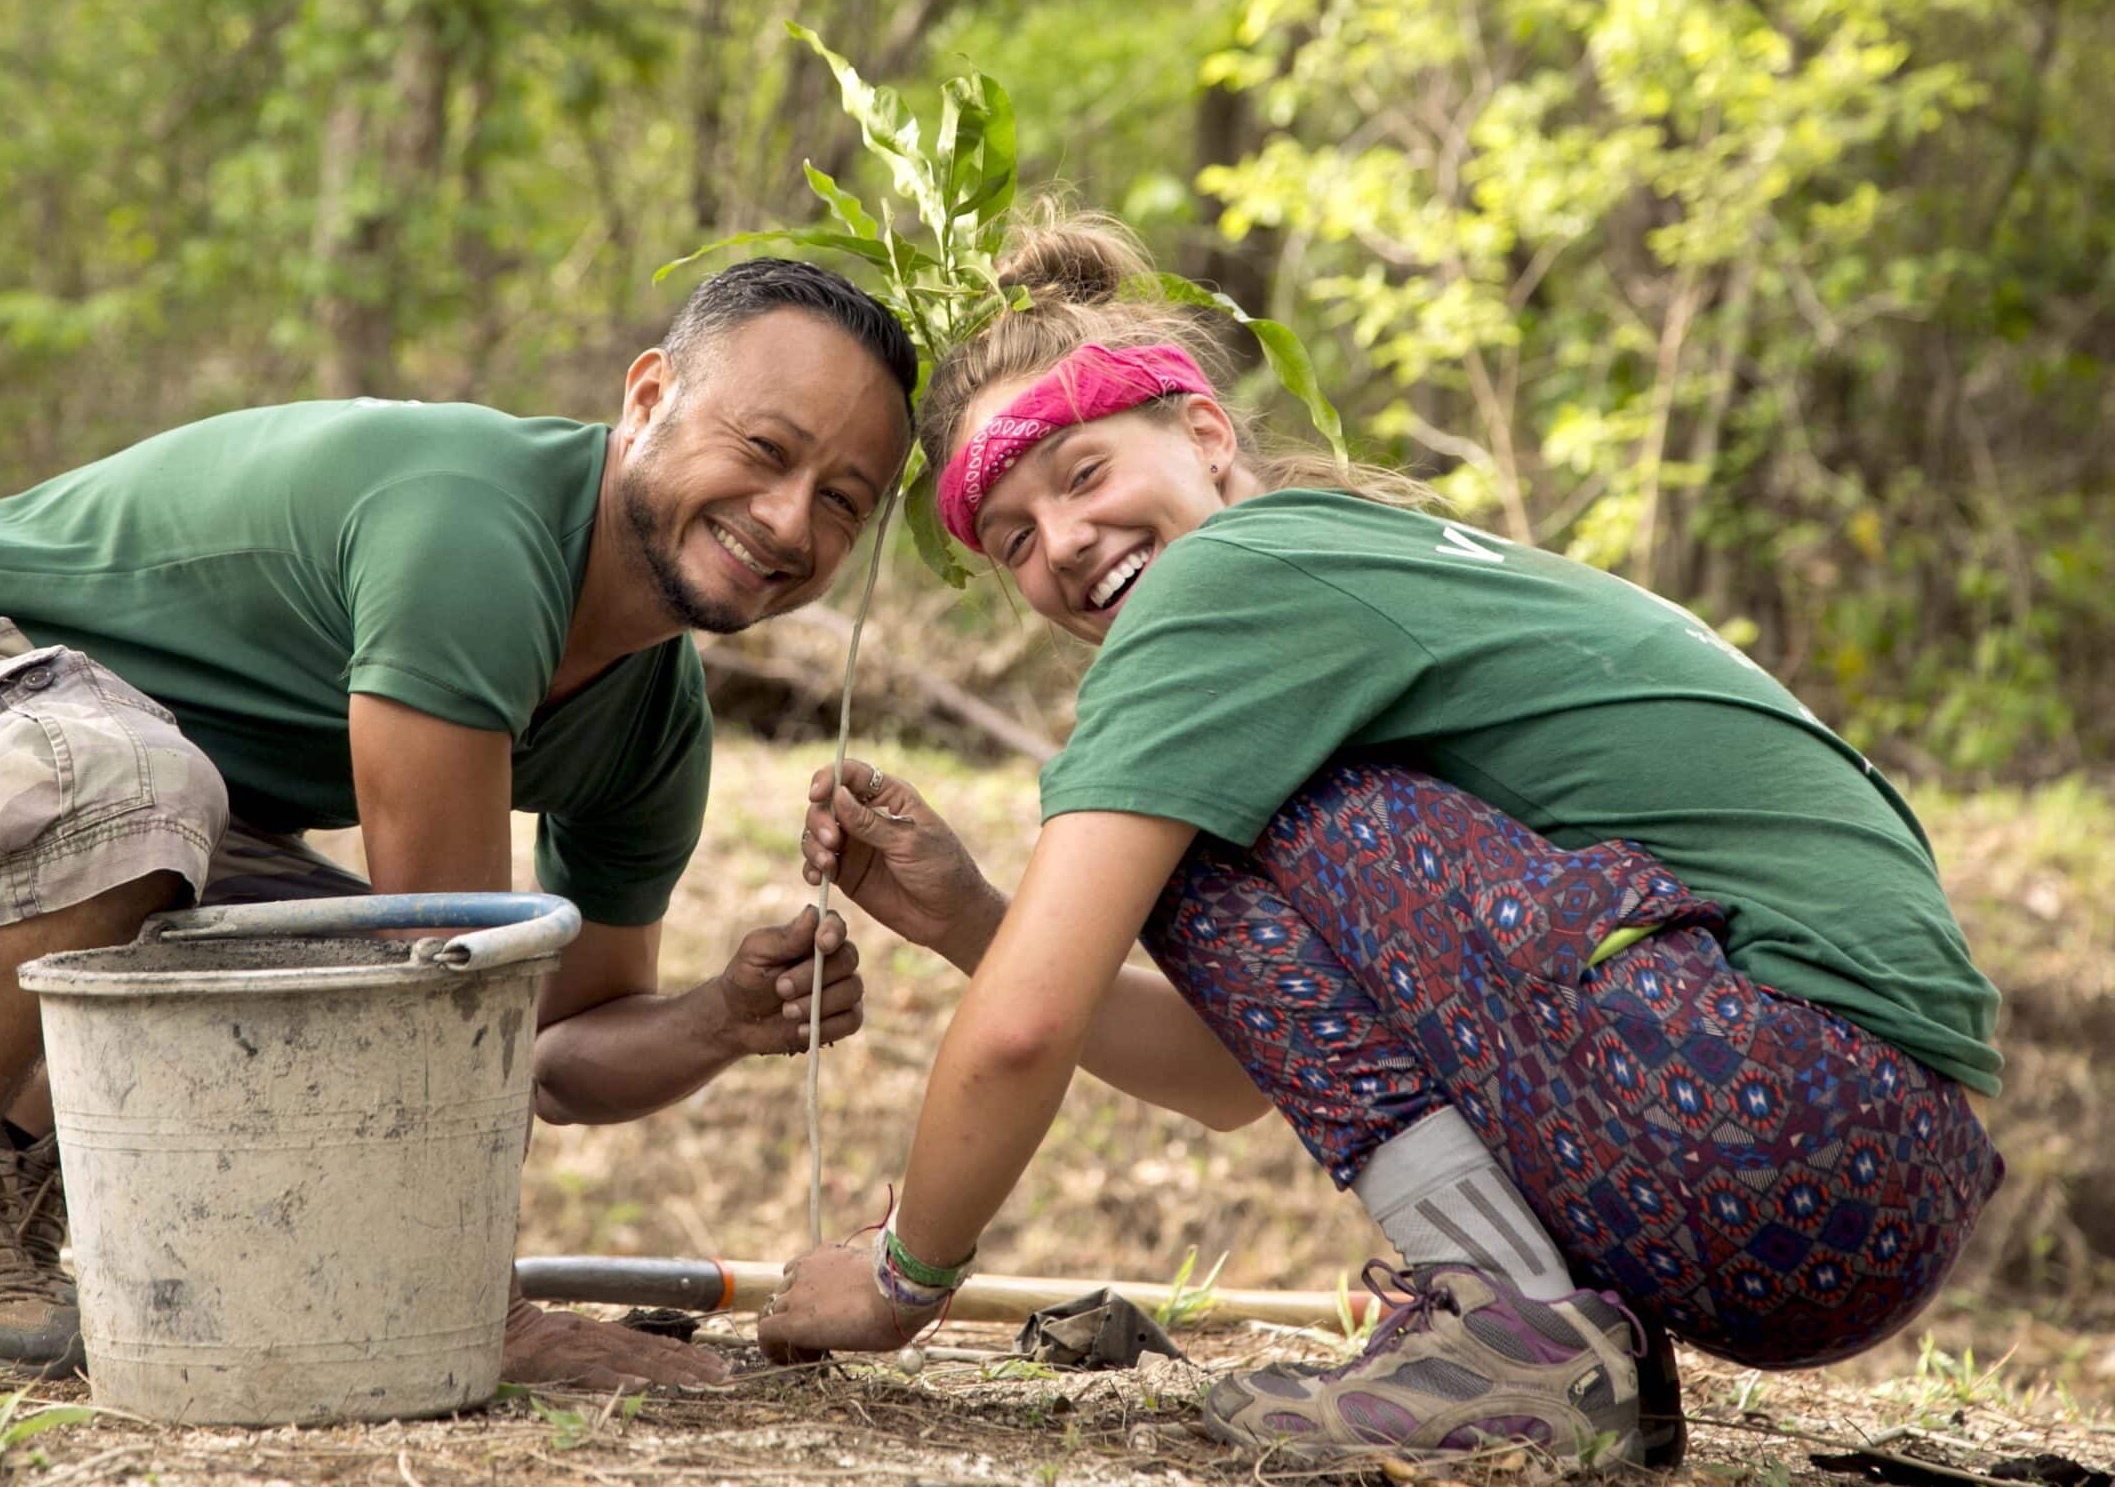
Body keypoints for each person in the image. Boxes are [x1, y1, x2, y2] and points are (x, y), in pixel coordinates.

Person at [759, 212, 2004, 1467]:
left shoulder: (1224, 584)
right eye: (1014, 537)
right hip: (1864, 1164)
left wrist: (897, 1279)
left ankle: (1524, 1338)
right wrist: (972, 920)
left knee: (1210, 830)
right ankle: (1545, 1349)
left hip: (1789, 1111)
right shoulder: (1345, 565)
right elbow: (1234, 1073)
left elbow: (1029, 1030)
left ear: (1204, 433)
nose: (1064, 542)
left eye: (1082, 476)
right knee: (1213, 834)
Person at [0, 258, 914, 1387]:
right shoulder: (478, 526)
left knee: (322, 984)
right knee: (194, 826)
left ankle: (6, 1137)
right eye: (763, 452)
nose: (786, 520)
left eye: (840, 504)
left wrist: (718, 1019)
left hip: (141, 823)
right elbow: (442, 974)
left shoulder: (653, 727)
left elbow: (542, 1051)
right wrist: (475, 1312)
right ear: (649, 394)